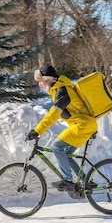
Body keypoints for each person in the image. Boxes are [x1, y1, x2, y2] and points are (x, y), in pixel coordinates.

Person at [27, 64, 98, 193]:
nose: (40, 85)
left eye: (40, 81)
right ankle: (84, 180)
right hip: (83, 125)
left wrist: (37, 130)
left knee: (57, 147)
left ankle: (68, 180)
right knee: (66, 153)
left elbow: (53, 115)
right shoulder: (59, 90)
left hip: (83, 125)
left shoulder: (62, 91)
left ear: (48, 79)